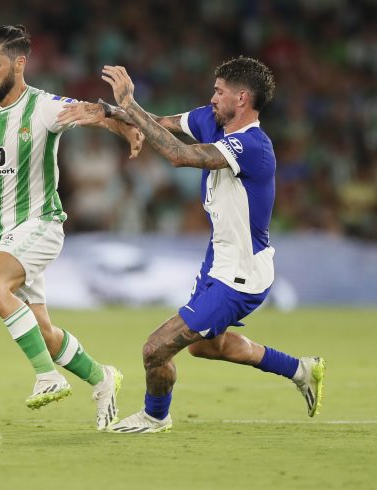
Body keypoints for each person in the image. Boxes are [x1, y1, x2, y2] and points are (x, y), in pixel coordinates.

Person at [57, 56, 325, 433]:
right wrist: (106, 112)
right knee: (205, 346)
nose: (212, 98)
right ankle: (300, 369)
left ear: (242, 99)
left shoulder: (254, 147)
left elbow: (179, 155)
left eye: (220, 92)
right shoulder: (209, 119)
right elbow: (158, 124)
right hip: (218, 262)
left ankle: (155, 415)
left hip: (241, 277)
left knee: (156, 349)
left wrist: (130, 106)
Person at [0, 25, 142, 430]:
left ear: (19, 64)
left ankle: (46, 377)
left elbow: (92, 114)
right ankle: (102, 377)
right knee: (44, 332)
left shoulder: (42, 107)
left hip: (39, 224)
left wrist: (124, 126)